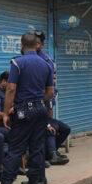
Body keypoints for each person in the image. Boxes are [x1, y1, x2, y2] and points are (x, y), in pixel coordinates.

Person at [0, 32, 55, 184]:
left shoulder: (17, 62)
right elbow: (50, 92)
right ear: (37, 45)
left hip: (23, 111)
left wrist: (6, 113)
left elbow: (11, 89)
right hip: (41, 110)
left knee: (16, 148)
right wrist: (37, 103)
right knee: (36, 148)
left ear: (21, 46)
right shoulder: (47, 64)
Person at [33, 32, 70, 166]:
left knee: (63, 128)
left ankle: (51, 152)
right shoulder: (22, 59)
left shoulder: (47, 62)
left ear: (42, 45)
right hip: (31, 111)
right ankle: (50, 154)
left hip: (41, 109)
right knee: (49, 127)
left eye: (37, 43)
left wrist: (49, 120)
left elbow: (49, 104)